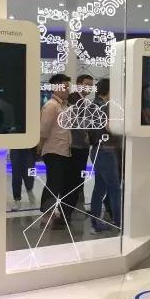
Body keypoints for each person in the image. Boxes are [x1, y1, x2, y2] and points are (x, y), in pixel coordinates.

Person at [88, 79, 122, 234]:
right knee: (114, 189)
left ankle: (95, 223)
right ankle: (119, 222)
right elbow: (110, 127)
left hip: (96, 149)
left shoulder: (92, 105)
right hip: (107, 150)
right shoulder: (106, 107)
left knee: (99, 188)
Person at [38, 74, 72, 225]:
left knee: (57, 183)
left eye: (68, 87)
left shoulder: (63, 106)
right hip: (54, 151)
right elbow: (43, 130)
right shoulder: (51, 106)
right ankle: (47, 215)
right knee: (53, 184)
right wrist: (39, 148)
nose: (67, 89)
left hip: (62, 150)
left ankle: (52, 212)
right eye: (64, 86)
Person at [65, 74, 95, 216]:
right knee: (74, 178)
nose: (89, 87)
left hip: (81, 145)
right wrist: (86, 133)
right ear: (78, 84)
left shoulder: (83, 100)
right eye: (86, 84)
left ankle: (76, 207)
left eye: (91, 85)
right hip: (75, 145)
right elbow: (75, 122)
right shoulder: (73, 99)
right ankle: (71, 209)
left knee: (78, 178)